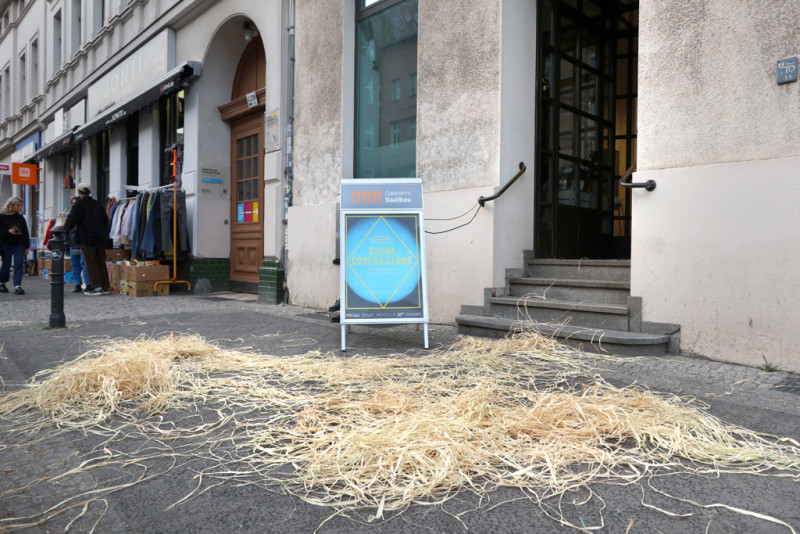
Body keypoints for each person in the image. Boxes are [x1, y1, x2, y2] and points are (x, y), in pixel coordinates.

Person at [64, 183, 111, 295]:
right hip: (100, 237)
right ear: (89, 192)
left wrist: (64, 231)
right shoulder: (97, 204)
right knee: (100, 260)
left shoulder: (79, 204)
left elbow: (72, 219)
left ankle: (95, 287)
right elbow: (105, 220)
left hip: (87, 236)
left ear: (79, 192)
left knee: (90, 262)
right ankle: (105, 286)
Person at [0, 196, 30, 295]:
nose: (20, 207)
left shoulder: (20, 218)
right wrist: (8, 231)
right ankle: (2, 283)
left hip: (19, 244)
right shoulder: (2, 217)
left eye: (20, 205)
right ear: (11, 205)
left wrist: (27, 246)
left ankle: (18, 285)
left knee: (18, 264)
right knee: (6, 264)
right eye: (18, 205)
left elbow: (25, 232)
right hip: (6, 244)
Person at [67, 196, 92, 293]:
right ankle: (77, 284)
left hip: (83, 242)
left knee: (84, 264)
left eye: (76, 203)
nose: (74, 205)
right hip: (73, 243)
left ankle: (88, 284)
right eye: (73, 203)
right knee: (74, 264)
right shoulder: (70, 215)